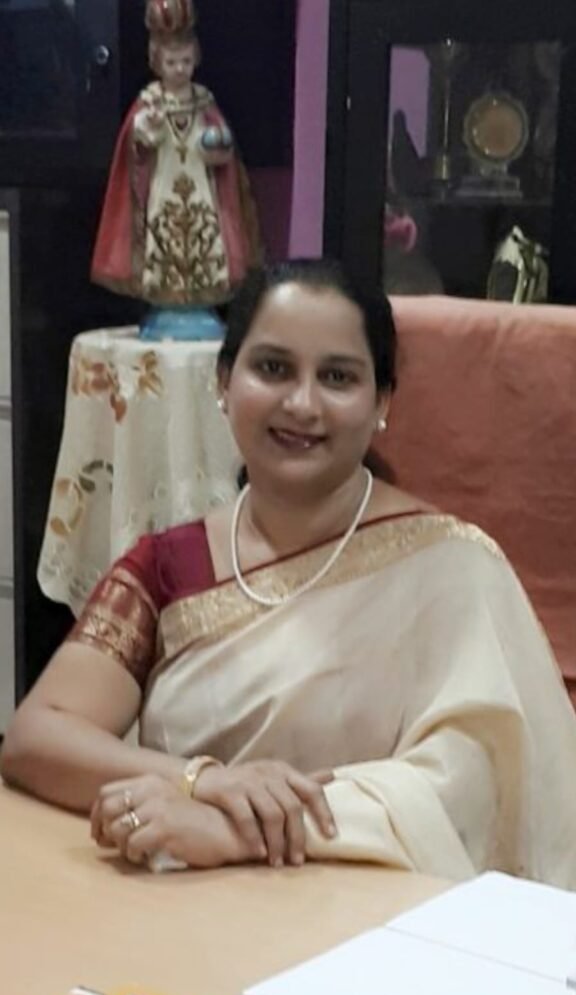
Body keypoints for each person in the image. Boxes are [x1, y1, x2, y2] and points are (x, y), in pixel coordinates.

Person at [3, 258, 576, 887]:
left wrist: (237, 830)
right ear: (224, 382)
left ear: (382, 402)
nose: (302, 404)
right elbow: (38, 736)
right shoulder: (171, 566)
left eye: (337, 377)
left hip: (378, 913)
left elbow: (478, 788)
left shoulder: (453, 567)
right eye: (273, 369)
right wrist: (203, 781)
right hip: (182, 898)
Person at [91, 0, 260, 308]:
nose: (180, 69)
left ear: (195, 58)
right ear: (157, 62)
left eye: (186, 61)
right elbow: (136, 146)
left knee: (206, 233)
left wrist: (218, 148)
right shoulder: (150, 102)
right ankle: (165, 295)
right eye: (172, 62)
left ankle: (201, 294)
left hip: (200, 184)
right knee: (162, 235)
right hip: (164, 184)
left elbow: (222, 142)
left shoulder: (203, 101)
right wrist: (149, 128)